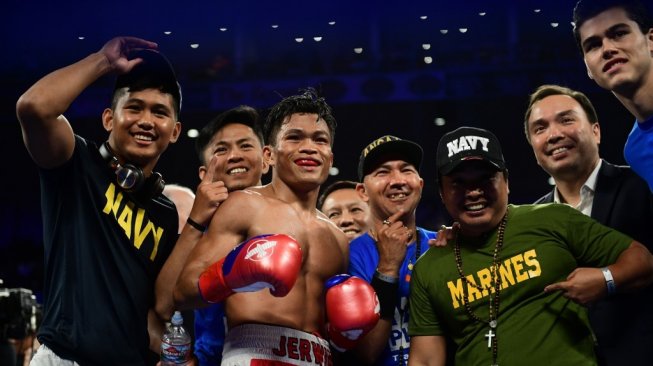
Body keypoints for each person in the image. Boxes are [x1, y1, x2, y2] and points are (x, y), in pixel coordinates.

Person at [407, 126, 653, 366]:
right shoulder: (429, 268)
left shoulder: (554, 218)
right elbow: (426, 359)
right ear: (441, 192)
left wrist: (605, 279)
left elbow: (642, 260)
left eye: (485, 179)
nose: (473, 192)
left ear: (506, 181)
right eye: (459, 183)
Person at [174, 90, 379, 365]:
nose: (309, 147)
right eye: (294, 137)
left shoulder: (337, 238)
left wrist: (344, 336)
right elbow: (183, 292)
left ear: (329, 158)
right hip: (254, 352)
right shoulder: (244, 205)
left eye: (320, 140)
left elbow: (336, 330)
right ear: (268, 155)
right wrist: (231, 275)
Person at [16, 36, 182, 365]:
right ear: (108, 119)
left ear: (175, 131)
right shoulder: (76, 162)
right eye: (134, 107)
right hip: (64, 357)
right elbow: (34, 108)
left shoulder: (166, 212)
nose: (146, 120)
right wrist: (102, 61)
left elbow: (153, 312)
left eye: (159, 112)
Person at [523, 84, 653, 365]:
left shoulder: (643, 185)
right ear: (533, 147)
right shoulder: (531, 221)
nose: (554, 134)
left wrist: (608, 279)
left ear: (596, 131)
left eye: (566, 119)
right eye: (540, 128)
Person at [155, 105, 269, 365]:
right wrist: (196, 220)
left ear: (267, 159)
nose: (235, 156)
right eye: (221, 150)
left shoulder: (291, 223)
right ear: (204, 174)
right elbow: (164, 305)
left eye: (245, 146)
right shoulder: (198, 235)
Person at [347, 135, 436, 366]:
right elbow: (365, 353)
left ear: (421, 184)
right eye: (382, 172)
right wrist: (388, 267)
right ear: (362, 192)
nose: (397, 180)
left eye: (406, 170)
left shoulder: (443, 245)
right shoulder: (347, 257)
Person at [573, 0, 653, 191]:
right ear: (588, 69)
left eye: (619, 34)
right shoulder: (634, 151)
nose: (607, 49)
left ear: (650, 40)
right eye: (593, 45)